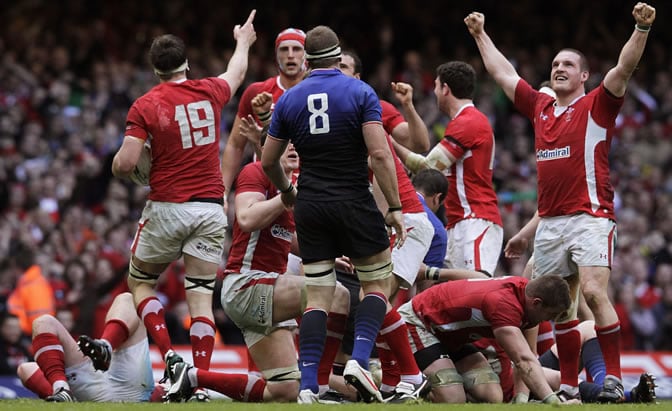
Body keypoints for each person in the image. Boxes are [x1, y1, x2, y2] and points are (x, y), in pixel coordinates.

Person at [464, 2, 656, 402]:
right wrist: (480, 33)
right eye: (554, 64)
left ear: (584, 75)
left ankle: (614, 377)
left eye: (567, 64)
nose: (558, 68)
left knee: (592, 293)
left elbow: (623, 68)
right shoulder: (541, 109)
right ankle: (569, 384)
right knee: (558, 306)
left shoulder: (598, 105)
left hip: (590, 217)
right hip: (551, 223)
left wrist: (640, 28)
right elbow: (503, 74)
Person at [110, 11, 257, 402]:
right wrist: (242, 41)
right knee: (200, 298)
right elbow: (235, 73)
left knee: (140, 282)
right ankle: (201, 383)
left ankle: (171, 358)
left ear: (155, 69)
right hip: (210, 209)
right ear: (185, 64)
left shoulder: (145, 105)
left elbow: (125, 164)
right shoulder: (210, 91)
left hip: (168, 207)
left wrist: (121, 163)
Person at [260, 25, 406, 404]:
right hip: (354, 199)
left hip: (311, 205)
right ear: (339, 56)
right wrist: (393, 206)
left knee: (318, 297)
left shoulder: (290, 99)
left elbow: (268, 160)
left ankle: (308, 385)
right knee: (378, 284)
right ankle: (359, 359)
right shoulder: (360, 91)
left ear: (306, 60)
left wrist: (288, 190)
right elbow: (378, 154)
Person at [221, 104, 351, 403]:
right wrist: (286, 197)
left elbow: (287, 239)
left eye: (297, 142)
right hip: (246, 283)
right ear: (268, 149)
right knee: (337, 294)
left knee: (284, 390)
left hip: (266, 292)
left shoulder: (295, 188)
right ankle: (319, 386)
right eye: (286, 141)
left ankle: (191, 378)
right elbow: (247, 218)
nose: (293, 147)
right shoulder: (255, 172)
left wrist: (330, 255)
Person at [338, 50, 432, 403]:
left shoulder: (366, 107)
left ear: (358, 78)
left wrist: (379, 224)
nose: (336, 74)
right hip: (386, 216)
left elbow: (397, 155)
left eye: (343, 68)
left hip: (401, 217)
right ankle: (397, 380)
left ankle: (402, 372)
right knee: (377, 303)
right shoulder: (340, 113)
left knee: (373, 298)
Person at [18, 292, 268, 403]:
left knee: (35, 342)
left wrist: (56, 383)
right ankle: (98, 353)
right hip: (125, 387)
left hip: (107, 386)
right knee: (127, 299)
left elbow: (28, 370)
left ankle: (67, 384)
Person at [393, 61, 503, 276]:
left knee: (476, 289)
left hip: (475, 220)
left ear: (445, 89)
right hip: (459, 221)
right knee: (459, 298)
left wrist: (388, 143)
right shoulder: (467, 121)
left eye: (435, 86)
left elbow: (427, 167)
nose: (434, 92)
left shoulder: (468, 122)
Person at [397, 275, 573, 404]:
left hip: (449, 335)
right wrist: (553, 402)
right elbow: (522, 360)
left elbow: (528, 356)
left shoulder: (527, 299)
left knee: (492, 397)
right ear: (537, 303)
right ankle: (400, 382)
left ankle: (434, 379)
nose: (548, 320)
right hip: (419, 322)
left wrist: (522, 399)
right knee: (452, 398)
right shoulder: (504, 305)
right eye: (551, 314)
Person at [221, 27, 306, 209]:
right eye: (284, 49)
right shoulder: (257, 92)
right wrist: (223, 193)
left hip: (307, 186)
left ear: (306, 55)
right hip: (264, 185)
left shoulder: (318, 94)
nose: (290, 55)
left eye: (297, 49)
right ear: (276, 55)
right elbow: (235, 145)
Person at [6, 245, 56, 336]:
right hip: (44, 333)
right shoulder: (41, 281)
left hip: (31, 336)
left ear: (17, 267)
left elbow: (18, 313)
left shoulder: (26, 286)